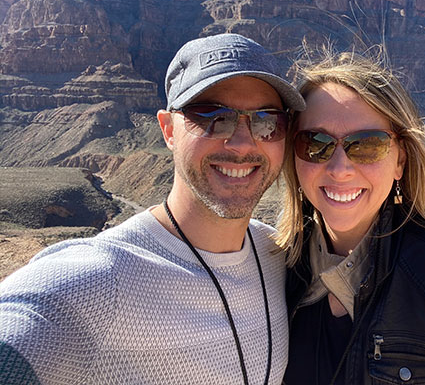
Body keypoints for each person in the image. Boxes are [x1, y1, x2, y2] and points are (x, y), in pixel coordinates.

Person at [0, 33, 305, 384]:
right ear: (167, 130)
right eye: (211, 117)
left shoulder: (278, 253)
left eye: (267, 121)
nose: (241, 143)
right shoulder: (97, 279)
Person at [278, 50, 425, 385]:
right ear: (293, 153)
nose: (339, 169)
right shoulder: (272, 270)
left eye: (366, 145)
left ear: (400, 161)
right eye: (315, 143)